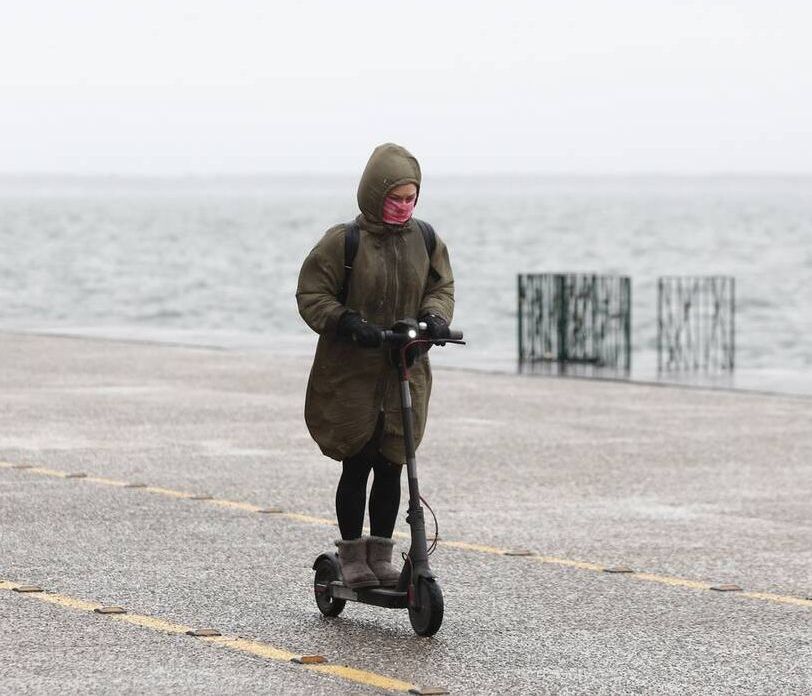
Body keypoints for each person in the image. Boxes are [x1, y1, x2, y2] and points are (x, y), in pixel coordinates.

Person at [296, 143, 454, 589]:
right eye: (395, 198)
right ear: (374, 194)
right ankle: (350, 556)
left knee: (392, 464)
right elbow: (312, 294)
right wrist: (347, 322)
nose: (403, 207)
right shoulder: (343, 241)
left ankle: (381, 552)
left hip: (404, 369)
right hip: (353, 374)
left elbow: (441, 287)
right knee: (357, 463)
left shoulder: (426, 239)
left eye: (410, 198)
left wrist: (434, 321)